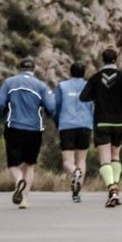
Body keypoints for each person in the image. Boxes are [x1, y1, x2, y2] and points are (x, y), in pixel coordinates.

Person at [0, 57, 56, 209]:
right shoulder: (41, 86)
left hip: (14, 126)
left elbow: (0, 103)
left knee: (13, 164)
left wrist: (3, 114)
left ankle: (18, 181)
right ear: (33, 69)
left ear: (20, 68)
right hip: (34, 129)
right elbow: (51, 106)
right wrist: (49, 114)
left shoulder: (9, 82)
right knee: (30, 165)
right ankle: (24, 199)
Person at [80, 47, 122, 208]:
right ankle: (116, 185)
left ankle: (111, 188)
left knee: (104, 158)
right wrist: (121, 106)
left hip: (102, 121)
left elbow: (83, 97)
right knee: (115, 155)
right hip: (120, 121)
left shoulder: (95, 78)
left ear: (102, 59)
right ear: (116, 59)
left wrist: (97, 98)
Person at [53, 62, 94, 203]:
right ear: (84, 73)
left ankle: (74, 171)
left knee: (68, 162)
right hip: (85, 125)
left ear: (70, 72)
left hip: (67, 125)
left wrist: (57, 121)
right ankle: (77, 193)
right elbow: (94, 106)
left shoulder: (62, 86)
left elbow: (55, 106)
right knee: (82, 159)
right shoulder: (90, 86)